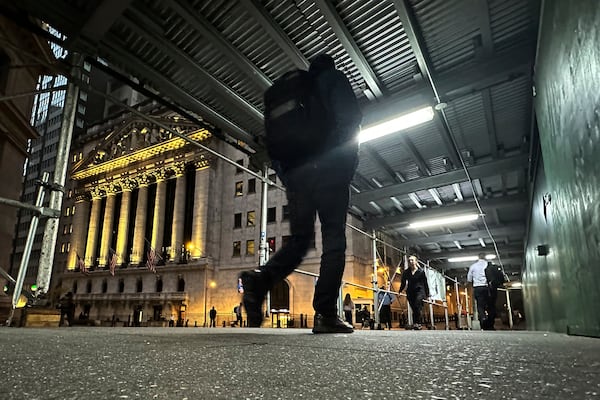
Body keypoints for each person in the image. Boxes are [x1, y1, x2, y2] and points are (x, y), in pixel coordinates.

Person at [240, 54, 362, 334]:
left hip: (298, 175)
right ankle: (326, 314)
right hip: (330, 171)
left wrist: (291, 178)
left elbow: (278, 148)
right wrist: (345, 167)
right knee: (333, 239)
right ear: (330, 65)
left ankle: (259, 280)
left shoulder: (299, 93)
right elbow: (350, 120)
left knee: (300, 239)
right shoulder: (334, 79)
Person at [399, 255, 430, 330]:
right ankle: (416, 323)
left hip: (419, 291)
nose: (410, 262)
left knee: (417, 304)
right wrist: (400, 290)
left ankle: (417, 323)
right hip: (410, 292)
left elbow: (425, 283)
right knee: (414, 308)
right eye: (409, 260)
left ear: (416, 261)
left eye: (412, 260)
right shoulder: (406, 272)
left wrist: (427, 294)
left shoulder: (421, 272)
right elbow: (403, 282)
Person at [467, 253, 492, 330]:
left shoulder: (473, 266)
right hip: (487, 287)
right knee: (489, 304)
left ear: (478, 258)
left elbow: (469, 279)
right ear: (485, 257)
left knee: (480, 306)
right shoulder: (488, 265)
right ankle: (489, 321)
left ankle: (483, 318)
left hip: (477, 288)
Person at [485, 263, 505, 330]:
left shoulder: (484, 269)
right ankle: (490, 323)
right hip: (493, 289)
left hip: (485, 289)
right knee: (492, 305)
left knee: (485, 306)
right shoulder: (496, 269)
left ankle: (486, 323)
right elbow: (502, 279)